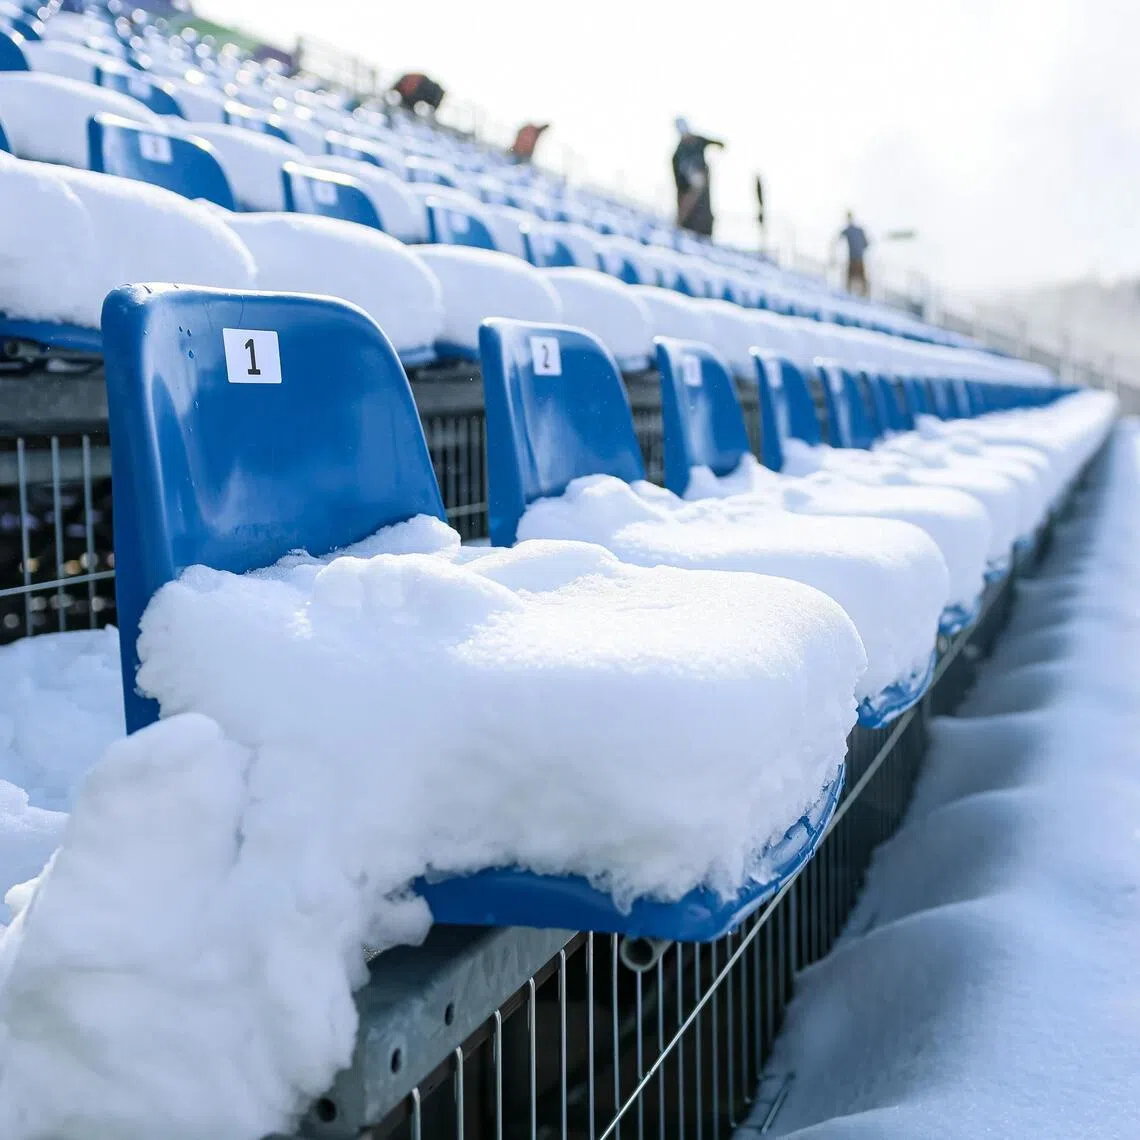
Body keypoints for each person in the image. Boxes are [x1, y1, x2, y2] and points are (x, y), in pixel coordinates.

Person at [672, 118, 725, 238]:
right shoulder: (678, 154)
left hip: (703, 190)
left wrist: (720, 146)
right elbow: (678, 181)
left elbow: (718, 143)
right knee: (691, 220)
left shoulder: (698, 141)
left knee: (704, 216)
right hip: (688, 192)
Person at [838, 211, 870, 296]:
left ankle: (856, 294)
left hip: (855, 259)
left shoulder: (849, 230)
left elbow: (838, 237)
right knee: (859, 279)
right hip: (858, 258)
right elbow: (867, 244)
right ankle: (862, 294)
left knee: (853, 278)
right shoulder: (858, 230)